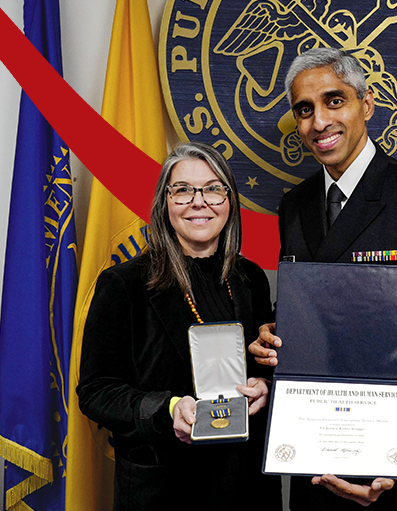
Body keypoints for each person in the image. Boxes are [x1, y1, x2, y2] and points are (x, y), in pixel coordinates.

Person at [250, 47, 397, 509]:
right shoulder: (295, 207)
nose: (319, 122)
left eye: (335, 101)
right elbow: (311, 313)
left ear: (367, 104)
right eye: (304, 109)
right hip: (317, 463)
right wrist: (274, 338)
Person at [77, 141, 281, 510]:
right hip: (164, 488)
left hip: (245, 484)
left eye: (213, 189)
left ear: (230, 201)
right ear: (164, 203)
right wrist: (168, 408)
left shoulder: (251, 278)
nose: (199, 201)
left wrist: (264, 385)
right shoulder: (124, 284)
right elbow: (96, 392)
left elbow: (260, 362)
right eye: (183, 190)